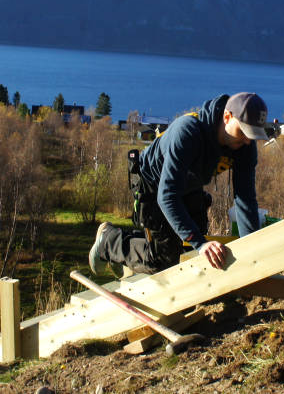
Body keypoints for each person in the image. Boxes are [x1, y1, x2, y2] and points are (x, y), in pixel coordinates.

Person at [89, 92, 269, 275]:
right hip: (154, 183)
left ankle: (139, 244)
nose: (248, 140)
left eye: (253, 134)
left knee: (193, 256)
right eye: (245, 132)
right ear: (227, 117)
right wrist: (200, 243)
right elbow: (167, 197)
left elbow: (245, 199)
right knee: (165, 263)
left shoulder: (245, 146)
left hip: (189, 185)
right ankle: (109, 241)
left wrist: (250, 251)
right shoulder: (188, 132)